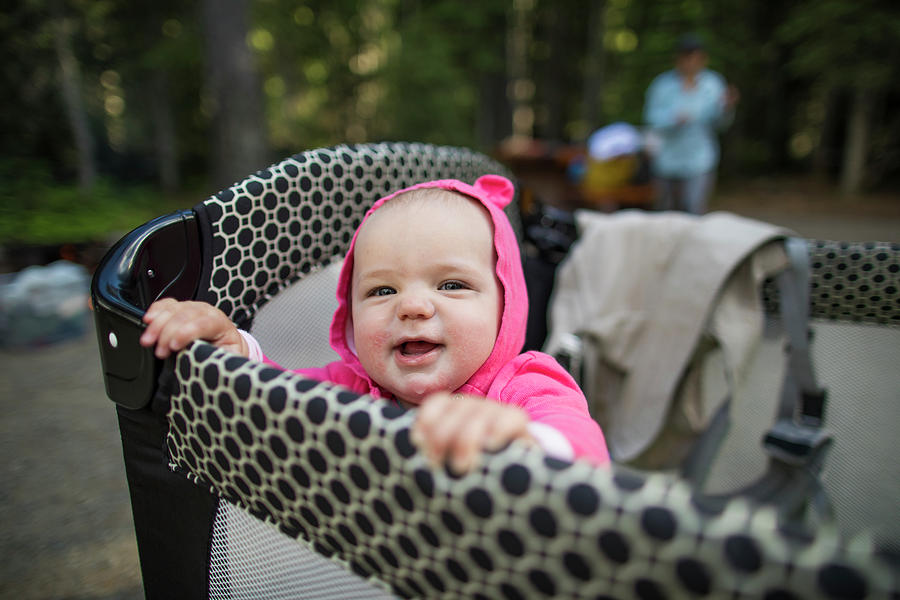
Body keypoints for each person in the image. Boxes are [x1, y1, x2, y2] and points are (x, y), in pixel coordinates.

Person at [140, 175, 610, 473]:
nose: (412, 307)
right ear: (349, 312)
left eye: (450, 285)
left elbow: (583, 450)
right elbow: (275, 401)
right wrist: (235, 355)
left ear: (507, 307)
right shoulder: (350, 388)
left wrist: (525, 440)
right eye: (382, 291)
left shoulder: (526, 385)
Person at [643, 34, 739, 214]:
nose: (690, 63)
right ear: (677, 59)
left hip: (699, 160)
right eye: (686, 57)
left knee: (694, 211)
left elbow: (720, 124)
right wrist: (673, 119)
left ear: (703, 59)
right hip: (667, 160)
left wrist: (726, 108)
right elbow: (651, 119)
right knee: (665, 212)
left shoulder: (713, 84)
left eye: (695, 57)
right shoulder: (661, 85)